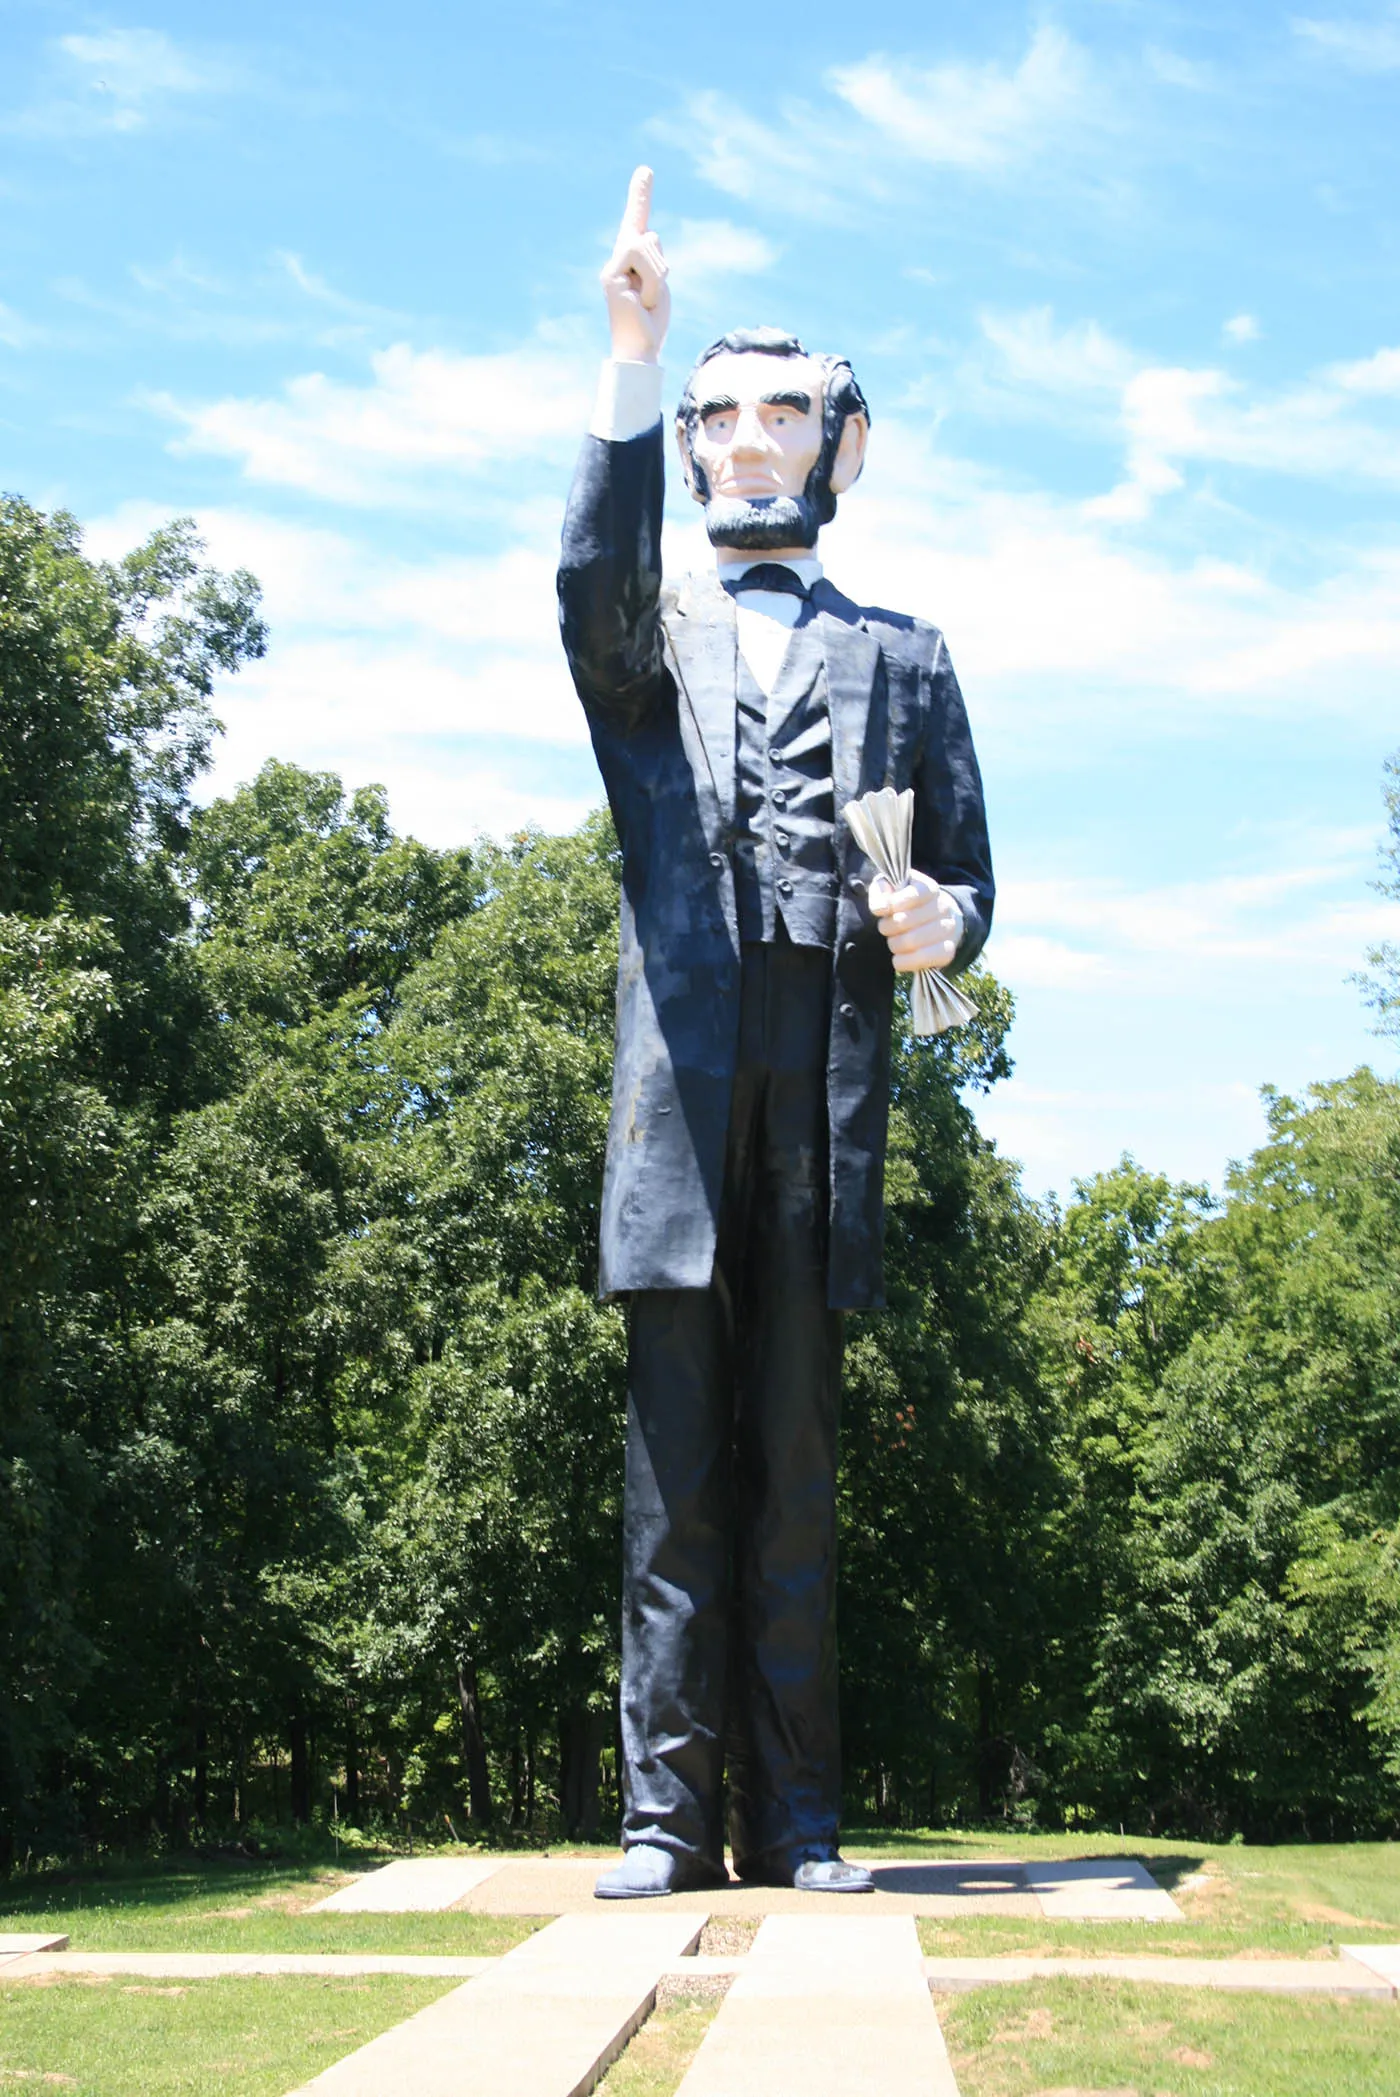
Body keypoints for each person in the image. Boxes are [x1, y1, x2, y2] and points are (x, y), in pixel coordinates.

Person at [557, 167, 994, 1898]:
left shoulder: (910, 651)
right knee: (675, 1488)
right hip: (680, 1093)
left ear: (842, 447)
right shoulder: (643, 638)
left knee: (797, 1474)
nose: (748, 439)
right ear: (689, 447)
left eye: (783, 413)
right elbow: (590, 579)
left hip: (827, 1095)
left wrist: (941, 919)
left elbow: (973, 876)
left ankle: (800, 1820)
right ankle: (665, 1823)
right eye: (718, 415)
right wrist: (625, 356)